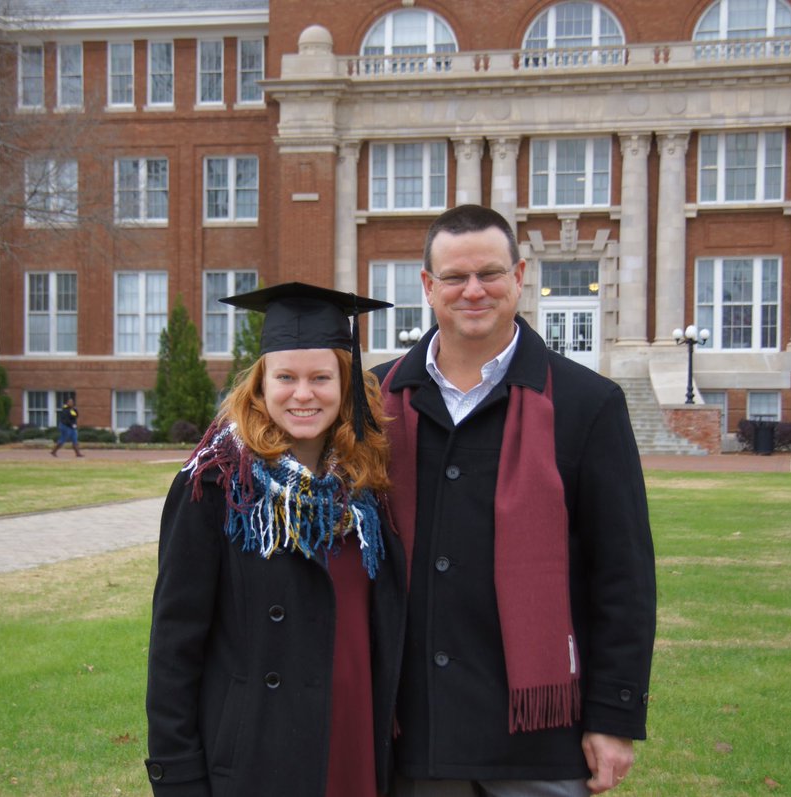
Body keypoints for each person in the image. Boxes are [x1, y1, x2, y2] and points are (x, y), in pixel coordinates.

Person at [373, 205, 656, 797]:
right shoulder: (377, 401)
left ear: (519, 277)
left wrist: (614, 717)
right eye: (454, 277)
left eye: (490, 274)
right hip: (414, 731)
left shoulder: (586, 404)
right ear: (427, 287)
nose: (473, 290)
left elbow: (622, 574)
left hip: (538, 736)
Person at [145, 282, 407, 797]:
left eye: (321, 378)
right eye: (285, 377)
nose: (303, 393)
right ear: (260, 386)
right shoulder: (216, 484)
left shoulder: (367, 485)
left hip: (355, 736)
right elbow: (174, 645)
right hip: (259, 752)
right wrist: (177, 775)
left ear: (346, 385)